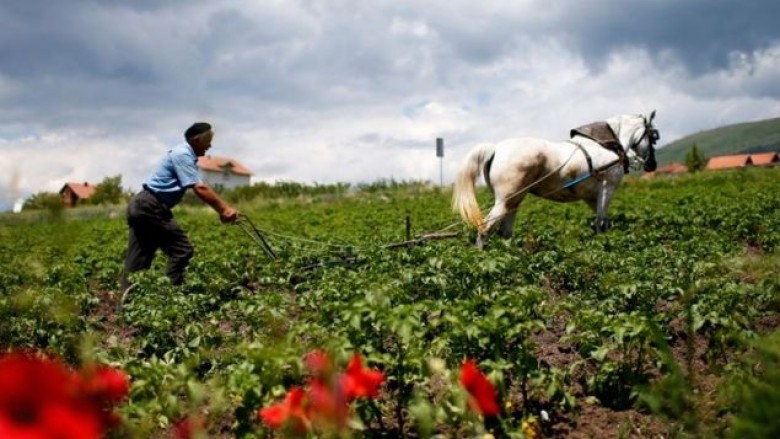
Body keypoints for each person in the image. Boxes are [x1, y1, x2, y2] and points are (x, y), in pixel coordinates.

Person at [119, 122, 238, 293]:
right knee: (182, 250)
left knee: (138, 261)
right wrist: (225, 209)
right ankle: (166, 297)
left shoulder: (181, 153)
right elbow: (200, 187)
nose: (209, 146)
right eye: (207, 142)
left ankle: (127, 307)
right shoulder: (182, 154)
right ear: (197, 140)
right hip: (150, 206)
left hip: (141, 204)